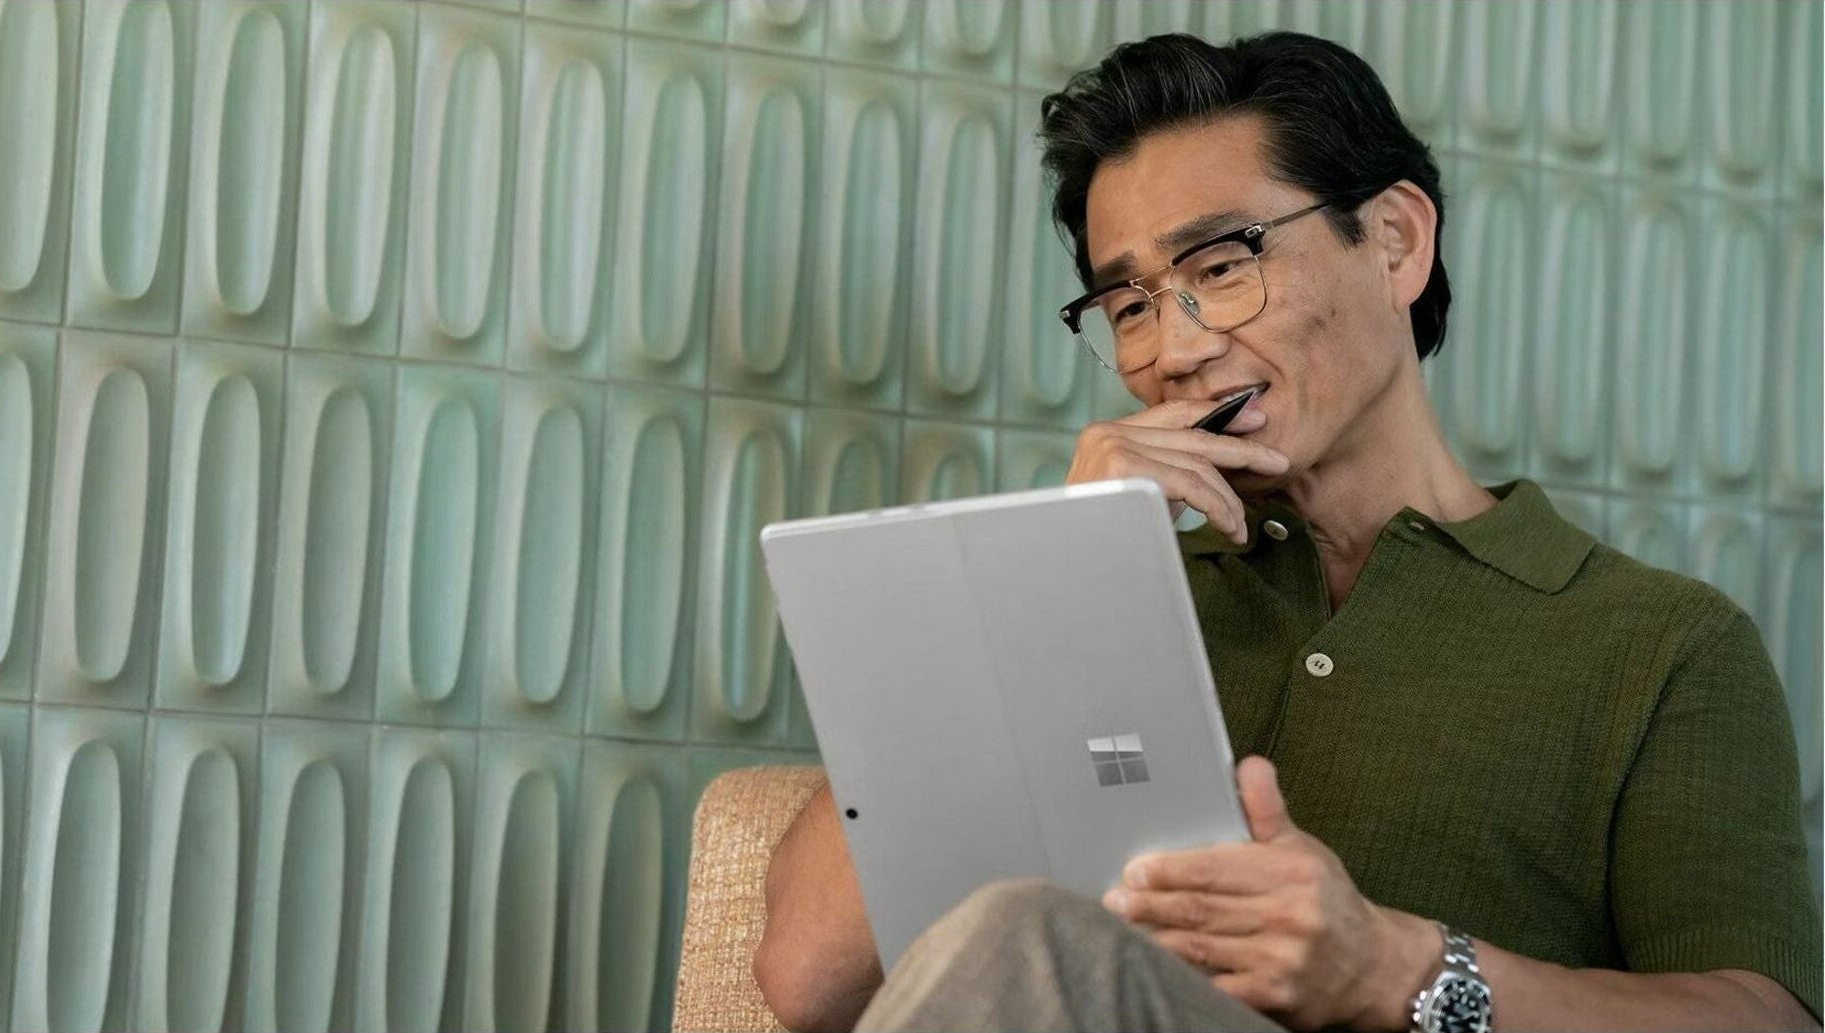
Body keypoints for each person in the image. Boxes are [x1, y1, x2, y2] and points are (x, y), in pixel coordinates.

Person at [754, 31, 1821, 1033]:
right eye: (1128, 307)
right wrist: (1056, 565)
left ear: (1395, 241)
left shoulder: (1662, 641)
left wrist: (1393, 967)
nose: (1174, 351)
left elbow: (1763, 1019)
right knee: (1021, 936)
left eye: (1221, 266)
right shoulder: (1094, 591)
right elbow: (807, 976)